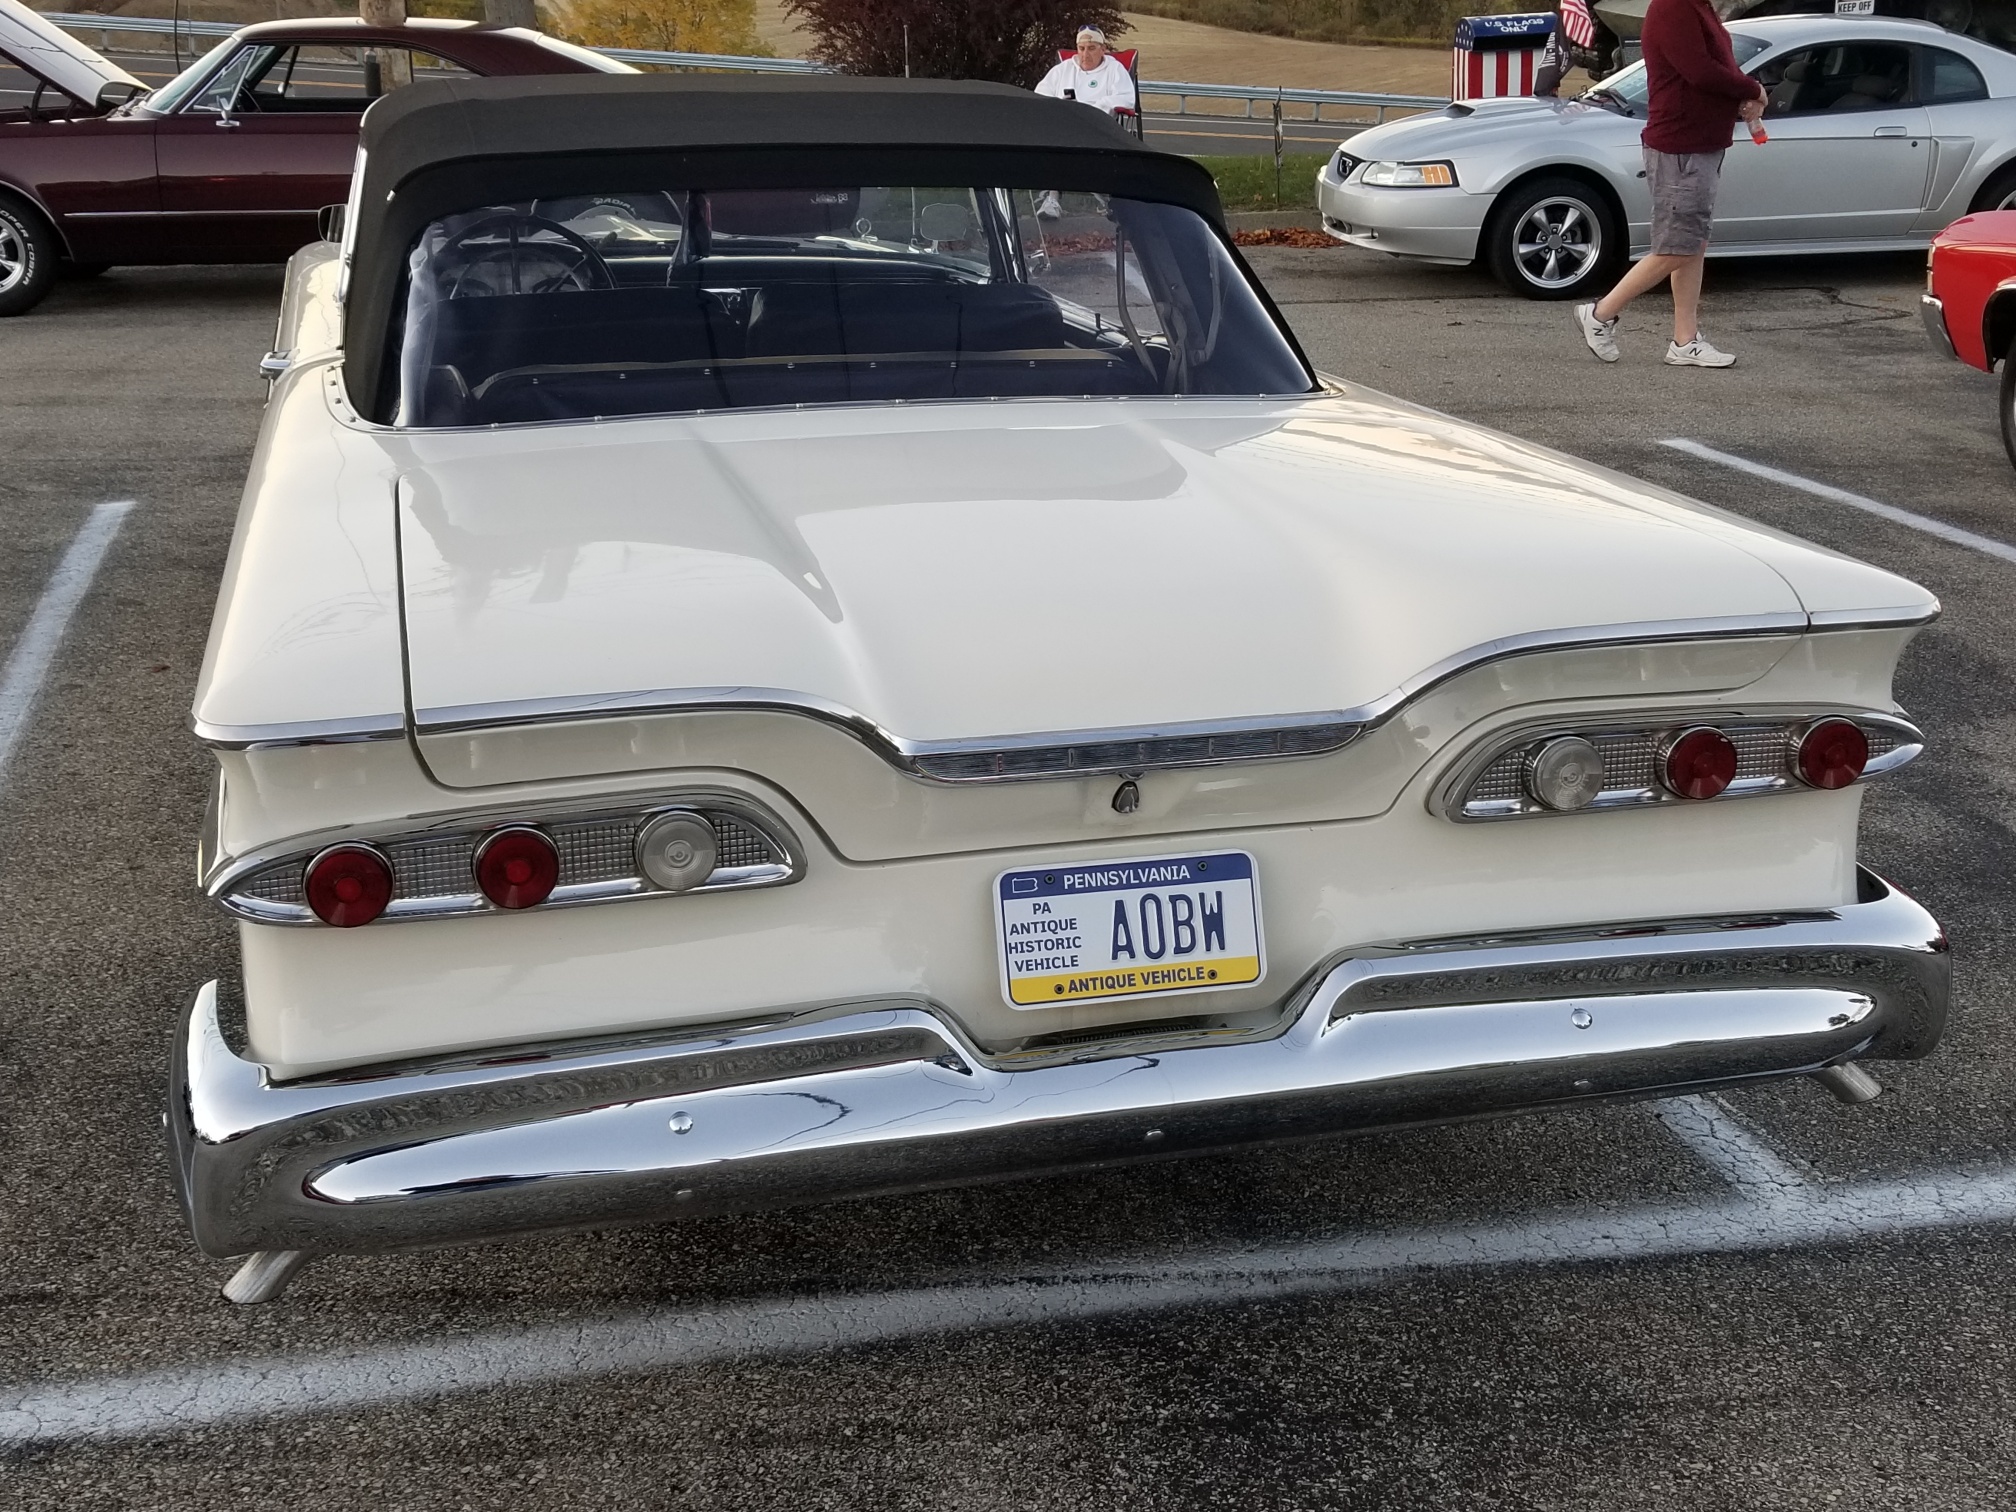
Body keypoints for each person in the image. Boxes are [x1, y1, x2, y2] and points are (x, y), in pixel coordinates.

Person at [1573, 0, 1765, 367]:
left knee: (1693, 243)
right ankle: (1600, 314)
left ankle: (1684, 341)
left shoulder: (1699, 7)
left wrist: (1746, 92)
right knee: (1678, 246)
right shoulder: (1673, 8)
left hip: (1701, 144)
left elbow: (1721, 65)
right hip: (1680, 145)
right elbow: (1700, 71)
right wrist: (1753, 88)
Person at [1032, 27, 1138, 218]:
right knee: (1055, 136)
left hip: (1099, 127)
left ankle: (1109, 201)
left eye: (1091, 48)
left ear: (1103, 49)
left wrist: (1097, 107)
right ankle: (1052, 199)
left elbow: (1127, 99)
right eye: (1081, 48)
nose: (1085, 54)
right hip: (1064, 124)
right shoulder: (1064, 69)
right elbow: (1041, 95)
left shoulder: (1114, 70)